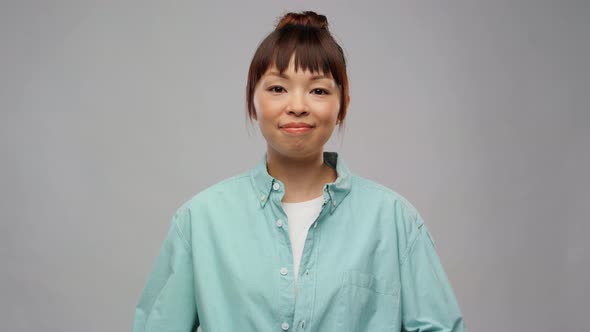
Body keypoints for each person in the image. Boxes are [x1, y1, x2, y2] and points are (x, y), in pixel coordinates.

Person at [132, 10, 465, 332]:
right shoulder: (200, 221)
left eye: (318, 90)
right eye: (278, 88)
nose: (297, 105)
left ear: (343, 104)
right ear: (252, 100)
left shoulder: (394, 222)